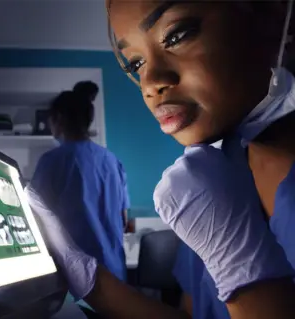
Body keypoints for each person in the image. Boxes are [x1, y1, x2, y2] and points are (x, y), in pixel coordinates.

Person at [27, 1, 295, 319]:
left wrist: (246, 277)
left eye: (176, 35)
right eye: (136, 64)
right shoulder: (216, 180)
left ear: (275, 16)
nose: (151, 82)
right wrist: (91, 281)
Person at [27, 85, 130, 316]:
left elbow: (34, 219)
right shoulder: (113, 161)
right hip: (116, 280)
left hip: (79, 283)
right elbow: (123, 219)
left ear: (59, 119)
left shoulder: (52, 161)